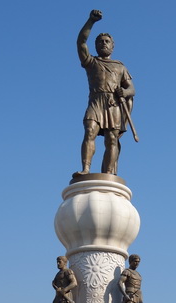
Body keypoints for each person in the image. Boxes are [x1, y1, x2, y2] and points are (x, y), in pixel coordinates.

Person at [74, 9, 135, 177]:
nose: (104, 44)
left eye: (107, 41)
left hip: (113, 103)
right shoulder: (91, 62)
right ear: (96, 46)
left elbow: (132, 89)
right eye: (100, 42)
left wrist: (123, 91)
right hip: (96, 101)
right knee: (90, 131)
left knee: (112, 139)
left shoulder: (120, 67)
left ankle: (108, 172)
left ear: (112, 46)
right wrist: (91, 21)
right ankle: (86, 169)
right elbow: (81, 42)